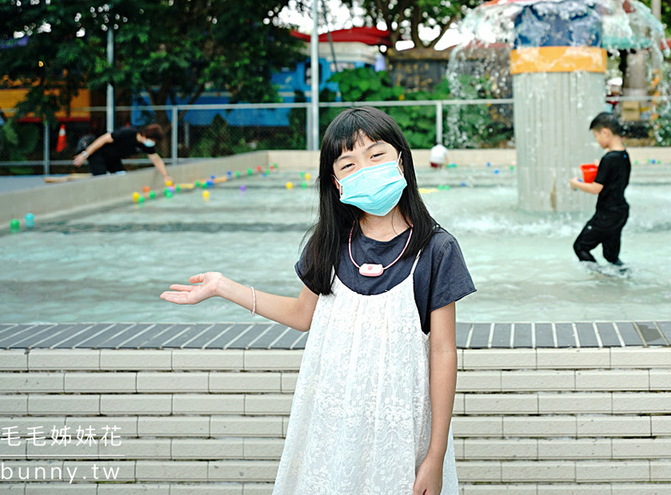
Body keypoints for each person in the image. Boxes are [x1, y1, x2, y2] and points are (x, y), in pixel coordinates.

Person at [158, 106, 475, 494]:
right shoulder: (328, 243)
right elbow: (301, 313)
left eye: (376, 155)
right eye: (348, 164)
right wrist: (224, 286)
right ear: (336, 182)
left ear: (402, 162)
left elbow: (443, 352)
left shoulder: (437, 249)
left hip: (401, 428)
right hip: (332, 421)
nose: (365, 169)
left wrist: (435, 455)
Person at [568, 112, 631, 268]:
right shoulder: (623, 155)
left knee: (580, 246)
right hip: (620, 212)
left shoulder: (608, 159)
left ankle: (599, 278)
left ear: (605, 132)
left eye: (596, 136)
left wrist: (576, 183)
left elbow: (596, 188)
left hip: (606, 214)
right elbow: (617, 177)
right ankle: (623, 277)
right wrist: (600, 169)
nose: (597, 141)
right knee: (610, 256)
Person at [72, 124, 168, 179]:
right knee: (101, 179)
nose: (152, 143)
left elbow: (156, 159)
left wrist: (165, 176)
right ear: (146, 136)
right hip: (98, 154)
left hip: (113, 159)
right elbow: (103, 139)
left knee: (121, 176)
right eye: (153, 140)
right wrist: (85, 154)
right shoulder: (128, 132)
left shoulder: (145, 145)